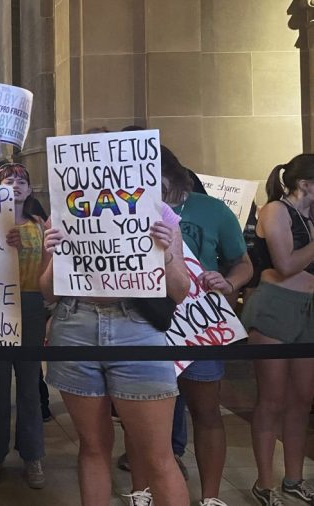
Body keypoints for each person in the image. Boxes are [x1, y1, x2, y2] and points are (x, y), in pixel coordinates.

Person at [40, 170, 191, 505]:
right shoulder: (63, 212)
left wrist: (164, 252)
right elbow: (48, 291)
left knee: (157, 456)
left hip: (136, 326)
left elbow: (180, 290)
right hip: (75, 324)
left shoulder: (158, 213)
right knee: (92, 447)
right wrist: (53, 254)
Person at [123, 148, 251, 506]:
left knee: (206, 412)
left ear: (173, 175)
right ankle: (141, 489)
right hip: (146, 323)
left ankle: (211, 496)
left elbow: (242, 262)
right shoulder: (128, 207)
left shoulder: (212, 210)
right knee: (143, 417)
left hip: (200, 323)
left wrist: (229, 283)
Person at [242, 154, 314, 505]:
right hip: (274, 305)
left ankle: (294, 478)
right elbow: (285, 264)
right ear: (305, 184)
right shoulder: (275, 211)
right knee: (271, 400)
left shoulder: (308, 217)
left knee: (301, 400)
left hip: (308, 310)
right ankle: (265, 483)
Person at [0, 163, 47, 488]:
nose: (16, 184)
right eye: (9, 180)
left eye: (22, 180)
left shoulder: (40, 224)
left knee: (30, 387)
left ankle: (33, 456)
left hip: (33, 305)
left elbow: (51, 267)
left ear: (30, 189)